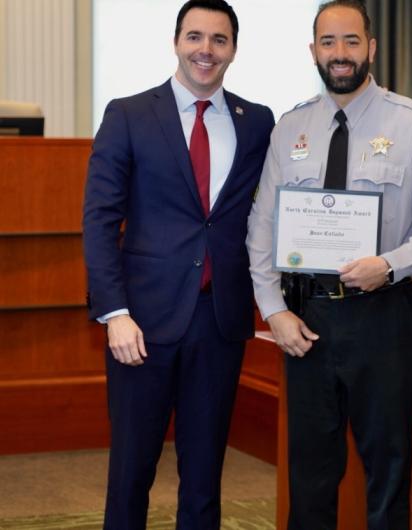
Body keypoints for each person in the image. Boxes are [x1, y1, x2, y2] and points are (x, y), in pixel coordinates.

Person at [246, 1, 412, 528]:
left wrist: (389, 265)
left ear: (371, 47)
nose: (339, 53)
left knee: (388, 471)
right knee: (309, 473)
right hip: (308, 321)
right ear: (313, 51)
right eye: (328, 42)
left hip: (383, 315)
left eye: (350, 41)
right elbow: (262, 224)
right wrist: (274, 310)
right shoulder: (290, 127)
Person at [82, 0, 274, 527]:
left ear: (233, 49)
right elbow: (100, 220)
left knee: (205, 477)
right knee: (131, 473)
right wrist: (114, 313)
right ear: (176, 42)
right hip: (141, 325)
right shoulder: (129, 114)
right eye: (195, 37)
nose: (205, 50)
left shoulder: (257, 121)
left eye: (219, 39)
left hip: (219, 322)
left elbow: (269, 213)